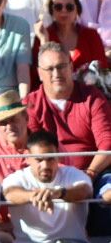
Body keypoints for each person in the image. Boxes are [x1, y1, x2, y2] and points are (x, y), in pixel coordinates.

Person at [24, 43, 111, 177]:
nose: (56, 74)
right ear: (39, 73)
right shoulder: (30, 104)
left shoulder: (92, 97)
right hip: (48, 177)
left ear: (71, 67)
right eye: (50, 69)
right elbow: (35, 150)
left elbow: (107, 143)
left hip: (97, 174)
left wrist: (89, 175)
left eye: (61, 66)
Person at [4, 127, 92, 243]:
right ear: (28, 158)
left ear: (58, 156)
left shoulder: (73, 174)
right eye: (39, 160)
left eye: (50, 159)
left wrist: (58, 193)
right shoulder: (16, 178)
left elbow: (85, 191)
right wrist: (34, 196)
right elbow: (10, 193)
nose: (45, 165)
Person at [32, 0, 107, 76]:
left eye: (69, 7)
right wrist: (44, 40)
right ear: (52, 12)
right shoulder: (43, 35)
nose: (64, 10)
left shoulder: (91, 36)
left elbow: (103, 69)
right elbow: (40, 74)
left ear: (77, 11)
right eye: (58, 7)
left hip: (88, 89)